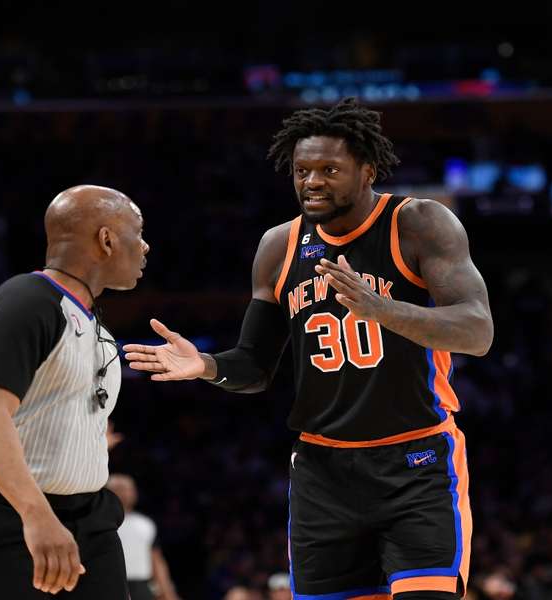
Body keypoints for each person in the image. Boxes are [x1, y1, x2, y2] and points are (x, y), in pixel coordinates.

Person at [123, 98, 493, 600]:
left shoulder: (419, 223)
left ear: (368, 170)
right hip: (324, 473)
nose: (312, 182)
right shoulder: (279, 246)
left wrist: (385, 311)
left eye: (329, 170)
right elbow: (254, 366)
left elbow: (477, 330)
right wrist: (207, 366)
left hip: (416, 461)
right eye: (302, 170)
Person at [0, 185, 150, 599]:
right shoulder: (25, 302)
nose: (146, 246)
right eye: (139, 232)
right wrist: (36, 513)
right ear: (107, 239)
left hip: (85, 520)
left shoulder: (94, 324)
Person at [106, 474, 180, 600]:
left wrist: (167, 592)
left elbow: (156, 560)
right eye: (119, 488)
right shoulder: (99, 522)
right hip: (108, 584)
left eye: (129, 489)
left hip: (141, 587)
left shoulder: (145, 524)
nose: (125, 493)